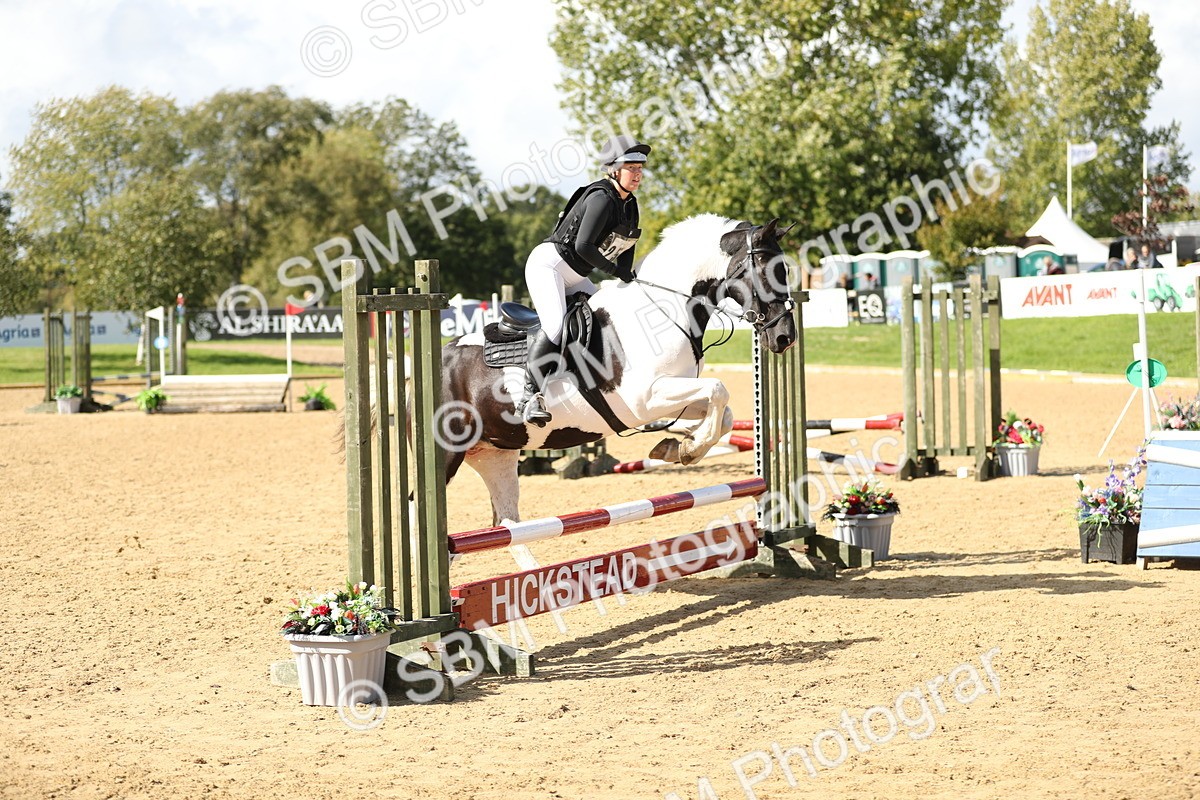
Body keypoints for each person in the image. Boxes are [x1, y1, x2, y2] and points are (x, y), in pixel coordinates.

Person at [515, 134, 648, 427]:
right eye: (632, 167)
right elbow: (583, 247)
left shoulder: (630, 204)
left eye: (641, 168)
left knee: (606, 319)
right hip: (550, 266)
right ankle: (530, 396)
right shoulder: (601, 198)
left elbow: (627, 244)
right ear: (614, 168)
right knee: (555, 325)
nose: (638, 174)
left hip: (576, 274)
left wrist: (629, 279)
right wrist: (615, 273)